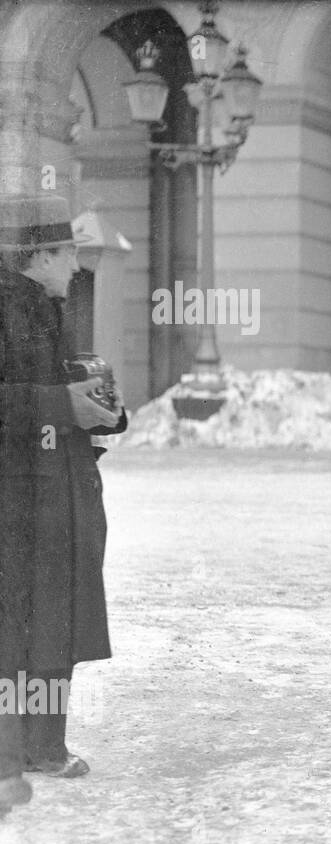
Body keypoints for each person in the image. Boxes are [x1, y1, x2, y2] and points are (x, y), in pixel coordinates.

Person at [0, 195, 128, 797]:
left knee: (52, 622)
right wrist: (62, 405)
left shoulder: (50, 308)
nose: (77, 264)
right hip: (20, 499)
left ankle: (44, 746)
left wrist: (100, 409)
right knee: (21, 626)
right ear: (39, 256)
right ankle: (22, 751)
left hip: (61, 492)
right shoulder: (8, 309)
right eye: (69, 251)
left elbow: (61, 391)